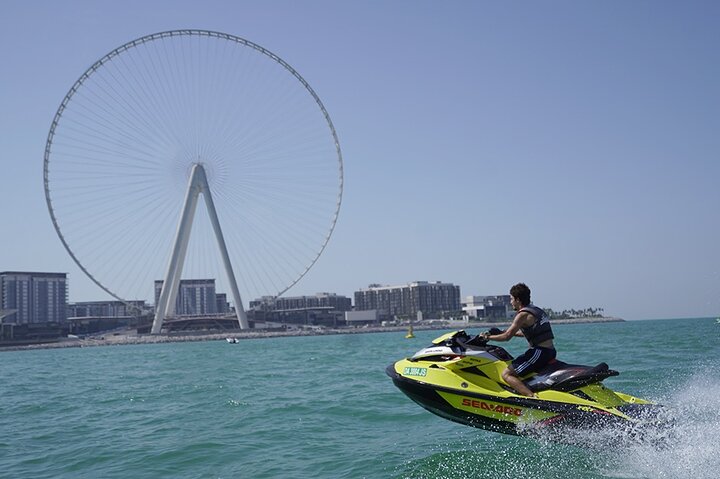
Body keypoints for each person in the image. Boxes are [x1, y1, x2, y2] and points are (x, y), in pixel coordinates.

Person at [482, 283, 555, 397]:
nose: (510, 302)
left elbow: (507, 337)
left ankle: (532, 398)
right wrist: (504, 332)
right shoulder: (536, 310)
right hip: (549, 351)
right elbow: (527, 333)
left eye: (511, 299)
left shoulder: (522, 315)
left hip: (540, 352)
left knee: (506, 374)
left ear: (518, 300)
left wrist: (487, 337)